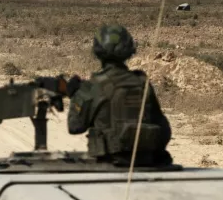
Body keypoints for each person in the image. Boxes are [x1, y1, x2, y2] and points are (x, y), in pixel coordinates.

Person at [67, 25, 172, 166]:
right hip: (144, 162)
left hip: (108, 164)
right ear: (129, 50)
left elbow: (75, 126)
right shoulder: (141, 83)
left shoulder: (92, 87)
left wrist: (75, 96)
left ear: (97, 51)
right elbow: (164, 129)